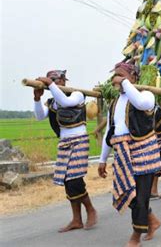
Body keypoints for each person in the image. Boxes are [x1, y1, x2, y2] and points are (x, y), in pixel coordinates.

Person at [98, 62, 161, 247]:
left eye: (120, 75)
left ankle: (136, 237)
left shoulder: (147, 95)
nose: (115, 79)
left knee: (141, 196)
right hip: (123, 155)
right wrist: (102, 159)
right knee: (130, 195)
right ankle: (152, 221)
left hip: (144, 155)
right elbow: (109, 132)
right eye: (115, 75)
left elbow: (141, 103)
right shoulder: (115, 103)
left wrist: (125, 83)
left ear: (133, 77)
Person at [33, 70, 97, 232]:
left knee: (75, 179)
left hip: (79, 140)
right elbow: (40, 116)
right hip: (64, 143)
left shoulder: (77, 95)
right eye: (51, 80)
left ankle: (90, 209)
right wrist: (37, 98)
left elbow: (66, 103)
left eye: (55, 80)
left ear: (63, 81)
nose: (53, 83)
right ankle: (77, 220)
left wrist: (50, 84)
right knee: (67, 181)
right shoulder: (53, 101)